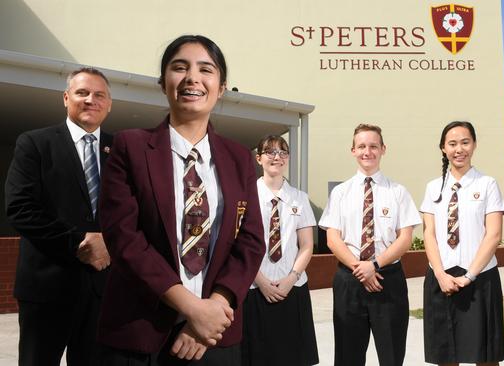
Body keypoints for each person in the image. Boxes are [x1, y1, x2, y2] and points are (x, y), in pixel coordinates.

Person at [96, 35, 265, 365]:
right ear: (163, 83)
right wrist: (192, 308)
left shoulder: (239, 158)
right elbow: (124, 239)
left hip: (215, 334)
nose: (192, 78)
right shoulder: (130, 147)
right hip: (138, 332)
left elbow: (251, 240)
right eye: (179, 67)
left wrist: (213, 308)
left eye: (206, 69)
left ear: (222, 87)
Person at [5, 67, 113, 366]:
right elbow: (20, 207)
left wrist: (110, 245)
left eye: (99, 95)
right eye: (82, 93)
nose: (91, 100)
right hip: (47, 288)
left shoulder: (121, 151)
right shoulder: (35, 143)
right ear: (66, 98)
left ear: (109, 104)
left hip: (103, 289)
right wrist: (79, 242)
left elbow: (138, 213)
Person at [319, 123, 421, 366]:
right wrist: (361, 269)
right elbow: (333, 239)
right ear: (352, 150)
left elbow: (404, 238)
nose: (368, 151)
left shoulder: (398, 192)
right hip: (349, 281)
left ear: (383, 149)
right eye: (362, 146)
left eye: (373, 146)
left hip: (388, 281)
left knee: (392, 355)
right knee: (348, 356)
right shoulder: (341, 193)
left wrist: (374, 265)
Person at [420, 121, 504, 366]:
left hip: (480, 279)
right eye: (453, 143)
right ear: (443, 149)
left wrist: (469, 276)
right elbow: (429, 234)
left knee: (485, 356)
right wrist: (439, 274)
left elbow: (494, 235)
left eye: (465, 142)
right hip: (441, 279)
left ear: (474, 145)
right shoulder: (433, 188)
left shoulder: (487, 184)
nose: (459, 149)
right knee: (445, 355)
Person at [241, 135, 319, 366]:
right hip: (255, 288)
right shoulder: (245, 196)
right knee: (255, 357)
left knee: (292, 356)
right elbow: (239, 244)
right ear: (258, 158)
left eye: (282, 152)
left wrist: (291, 278)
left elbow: (306, 245)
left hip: (292, 289)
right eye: (270, 152)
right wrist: (261, 281)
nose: (277, 157)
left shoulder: (300, 198)